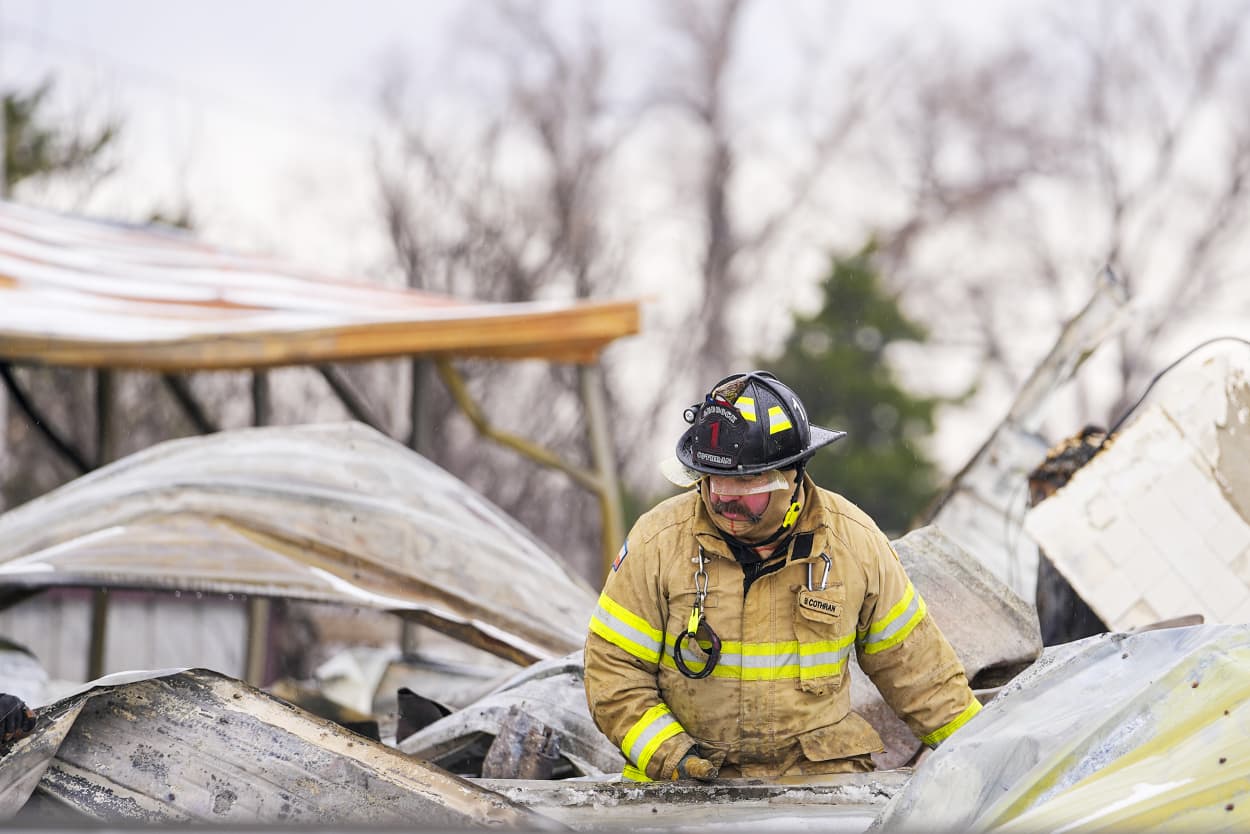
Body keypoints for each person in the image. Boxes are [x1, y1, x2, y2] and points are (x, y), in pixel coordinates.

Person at [583, 370, 981, 782]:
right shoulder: (658, 541)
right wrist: (673, 758)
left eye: (747, 483)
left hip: (816, 787)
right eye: (714, 481)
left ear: (793, 474)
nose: (725, 499)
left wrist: (986, 760)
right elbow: (614, 673)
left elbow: (922, 677)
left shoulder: (854, 543)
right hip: (686, 788)